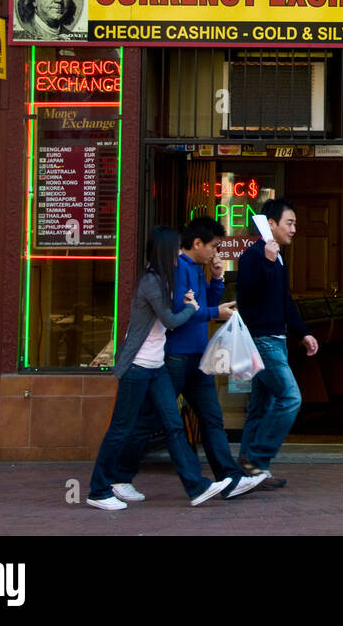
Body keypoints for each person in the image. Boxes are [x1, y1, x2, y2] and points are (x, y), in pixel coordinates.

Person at [115, 216, 265, 501]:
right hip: (175, 357)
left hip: (197, 356)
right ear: (196, 243)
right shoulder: (177, 269)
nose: (215, 252)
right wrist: (214, 313)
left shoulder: (197, 268)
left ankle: (230, 479)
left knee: (212, 418)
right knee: (149, 419)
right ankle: (120, 477)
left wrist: (218, 278)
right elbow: (178, 315)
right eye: (213, 246)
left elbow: (205, 302)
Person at [86, 226, 232, 510]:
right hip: (138, 367)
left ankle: (197, 486)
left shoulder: (165, 279)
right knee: (121, 429)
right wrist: (191, 307)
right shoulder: (151, 281)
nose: (181, 253)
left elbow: (191, 307)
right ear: (166, 251)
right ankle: (99, 490)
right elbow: (171, 320)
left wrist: (208, 287)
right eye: (177, 248)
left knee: (174, 426)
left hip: (157, 368)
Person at [237, 199, 319, 487]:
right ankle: (256, 459)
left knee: (262, 405)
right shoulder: (253, 257)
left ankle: (249, 470)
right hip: (263, 341)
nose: (294, 229)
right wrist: (269, 263)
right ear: (270, 224)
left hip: (277, 340)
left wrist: (303, 332)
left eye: (294, 223)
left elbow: (283, 300)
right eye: (290, 223)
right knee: (290, 397)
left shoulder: (278, 257)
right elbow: (249, 298)